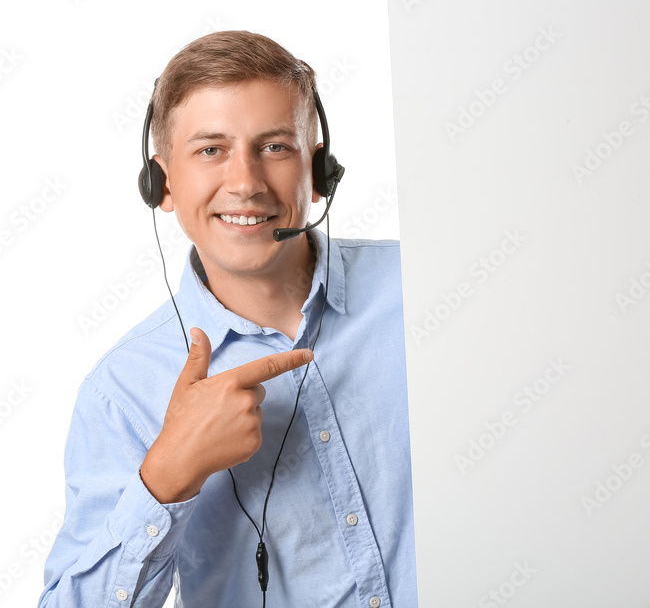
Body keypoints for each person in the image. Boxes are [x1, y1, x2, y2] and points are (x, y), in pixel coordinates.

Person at [39, 31, 416, 607]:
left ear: (320, 170)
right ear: (161, 183)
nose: (245, 183)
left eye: (275, 147)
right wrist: (167, 476)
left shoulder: (427, 286)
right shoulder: (122, 390)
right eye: (211, 150)